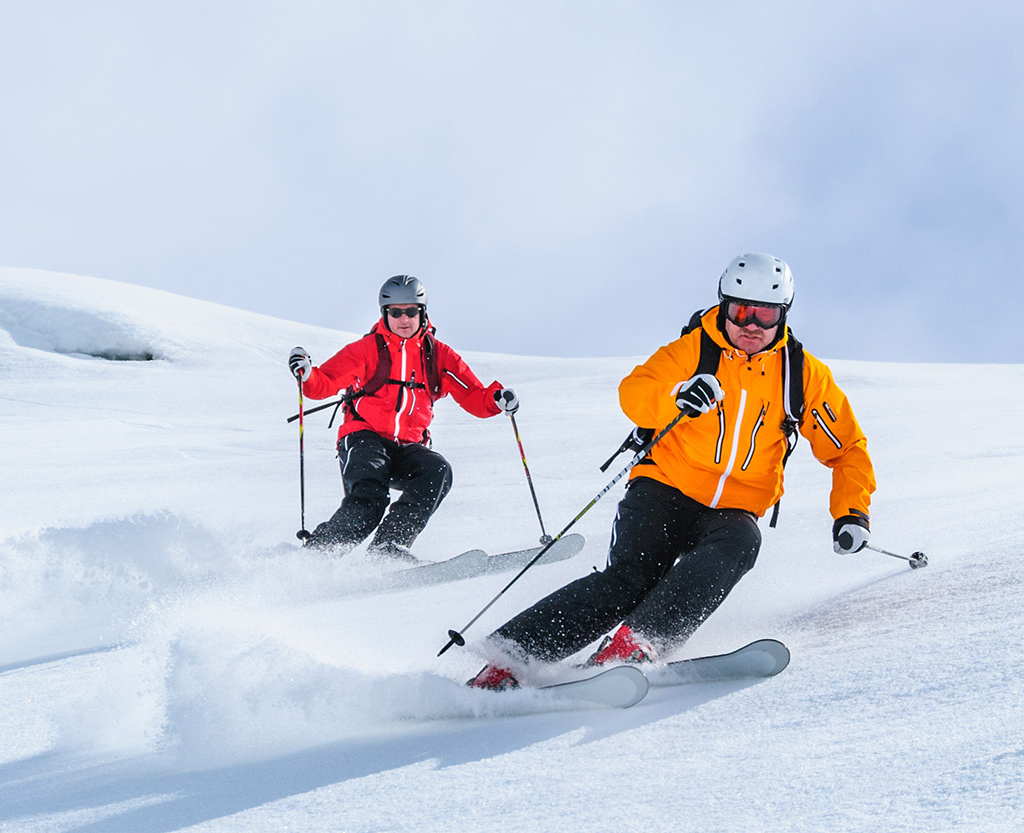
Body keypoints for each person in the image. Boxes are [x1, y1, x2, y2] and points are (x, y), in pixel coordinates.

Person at [468, 252, 876, 689]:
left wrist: (852, 513)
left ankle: (636, 644)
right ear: (724, 305)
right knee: (629, 581)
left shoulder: (801, 375)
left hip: (734, 508)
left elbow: (847, 447)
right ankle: (509, 659)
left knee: (741, 541)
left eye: (765, 313)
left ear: (783, 315)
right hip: (664, 488)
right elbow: (635, 392)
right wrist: (678, 395)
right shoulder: (694, 349)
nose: (751, 324)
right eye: (740, 310)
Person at [287, 275, 516, 559]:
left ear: (423, 312)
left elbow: (473, 396)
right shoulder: (367, 350)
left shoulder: (439, 356)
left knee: (437, 472)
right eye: (395, 312)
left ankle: (387, 549)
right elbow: (324, 383)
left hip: (408, 446)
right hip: (363, 438)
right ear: (385, 314)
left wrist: (496, 400)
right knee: (370, 499)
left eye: (411, 311)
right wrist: (307, 373)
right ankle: (317, 555)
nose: (404, 319)